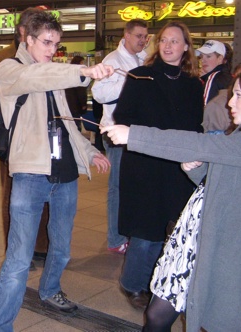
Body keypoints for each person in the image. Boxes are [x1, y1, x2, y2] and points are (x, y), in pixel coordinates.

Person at [101, 67, 241, 332]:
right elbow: (224, 184)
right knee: (159, 313)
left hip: (233, 249)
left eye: (238, 95)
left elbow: (202, 145)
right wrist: (197, 170)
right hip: (198, 240)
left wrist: (134, 135)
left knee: (226, 320)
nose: (229, 102)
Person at [0, 11, 112, 332]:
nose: (51, 49)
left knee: (61, 247)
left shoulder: (54, 73)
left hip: (65, 174)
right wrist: (83, 70)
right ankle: (1, 327)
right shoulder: (9, 69)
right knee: (17, 261)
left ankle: (50, 289)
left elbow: (66, 123)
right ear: (24, 37)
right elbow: (38, 76)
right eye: (46, 42)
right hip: (30, 175)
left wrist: (89, 150)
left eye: (56, 44)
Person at [113, 21, 204, 310]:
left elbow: (196, 126)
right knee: (146, 229)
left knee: (171, 228)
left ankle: (158, 282)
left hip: (177, 165)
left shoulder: (193, 84)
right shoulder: (141, 76)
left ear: (186, 47)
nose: (167, 45)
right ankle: (133, 283)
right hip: (145, 164)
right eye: (164, 40)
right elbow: (122, 116)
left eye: (175, 41)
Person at [0, 7, 49, 270]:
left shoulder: (43, 57)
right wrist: (6, 124)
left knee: (42, 193)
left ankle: (41, 245)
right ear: (22, 31)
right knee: (14, 196)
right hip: (13, 142)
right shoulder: (2, 58)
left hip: (42, 140)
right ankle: (18, 250)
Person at [91, 19, 148, 254]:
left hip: (137, 132)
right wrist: (130, 84)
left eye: (145, 37)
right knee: (117, 187)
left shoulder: (144, 59)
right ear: (126, 35)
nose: (143, 41)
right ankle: (115, 239)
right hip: (115, 132)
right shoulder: (112, 61)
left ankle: (131, 232)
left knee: (135, 186)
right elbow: (98, 93)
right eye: (138, 36)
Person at [202, 58, 241, 134]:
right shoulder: (218, 104)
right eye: (235, 78)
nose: (230, 103)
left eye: (239, 95)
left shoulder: (217, 105)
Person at [196, 40, 233, 105]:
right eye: (201, 57)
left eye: (208, 56)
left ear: (220, 59)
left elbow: (205, 108)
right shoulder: (228, 77)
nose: (202, 60)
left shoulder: (212, 78)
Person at [65, 55, 88, 131]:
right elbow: (81, 92)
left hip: (69, 102)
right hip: (76, 104)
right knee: (77, 124)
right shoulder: (80, 74)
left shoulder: (69, 72)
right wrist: (83, 104)